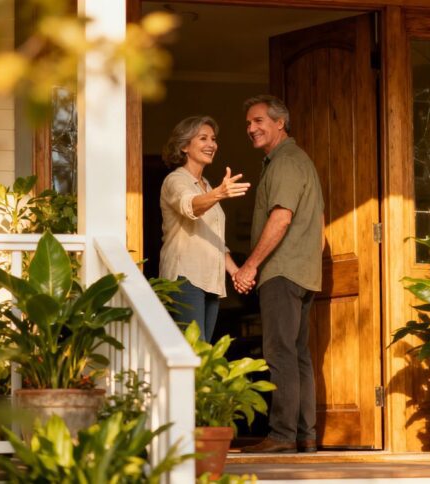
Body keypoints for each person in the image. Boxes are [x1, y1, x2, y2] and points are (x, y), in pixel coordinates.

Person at [234, 95, 324, 454]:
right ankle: (305, 435)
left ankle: (283, 436)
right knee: (298, 354)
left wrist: (251, 265)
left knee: (280, 353)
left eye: (258, 121)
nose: (251, 129)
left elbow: (281, 217)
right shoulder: (298, 161)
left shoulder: (285, 161)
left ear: (279, 123)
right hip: (302, 272)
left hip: (283, 272)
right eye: (247, 123)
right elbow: (319, 228)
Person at [159, 115, 252, 342]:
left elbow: (214, 238)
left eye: (213, 139)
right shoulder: (175, 180)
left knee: (203, 354)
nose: (211, 144)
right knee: (193, 354)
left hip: (210, 280)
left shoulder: (207, 185)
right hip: (185, 278)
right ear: (184, 146)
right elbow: (189, 205)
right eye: (203, 138)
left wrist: (235, 273)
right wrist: (219, 193)